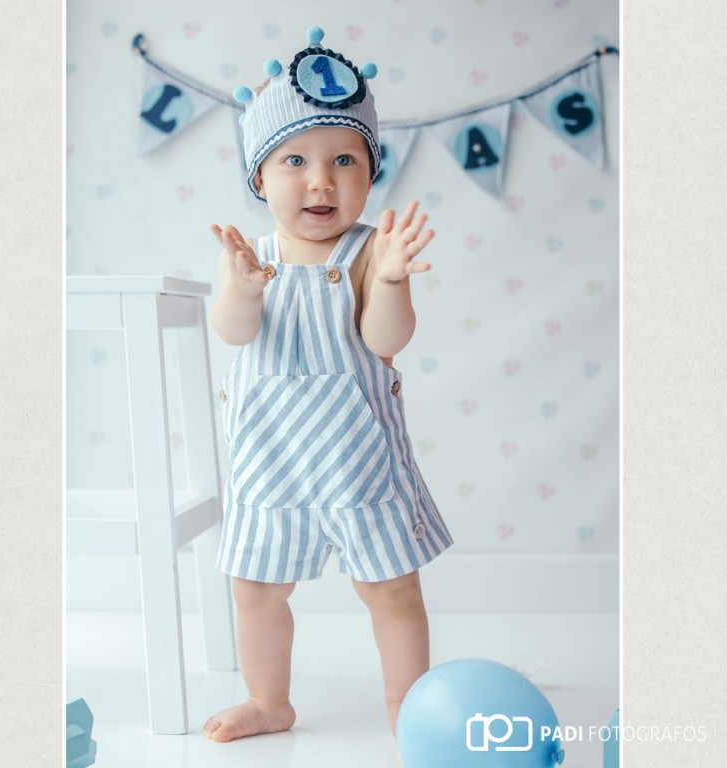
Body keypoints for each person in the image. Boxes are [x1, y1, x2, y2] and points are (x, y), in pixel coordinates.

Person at [203, 26, 453, 743]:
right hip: (271, 453)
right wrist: (246, 290)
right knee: (255, 588)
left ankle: (409, 706)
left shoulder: (371, 249)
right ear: (259, 177)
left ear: (370, 175)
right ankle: (269, 700)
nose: (322, 180)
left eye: (346, 159)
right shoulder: (252, 255)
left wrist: (395, 280)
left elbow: (384, 342)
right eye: (296, 160)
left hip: (356, 451)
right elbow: (234, 332)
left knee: (392, 587)